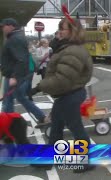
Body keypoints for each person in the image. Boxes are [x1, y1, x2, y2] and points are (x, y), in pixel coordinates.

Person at [29, 18, 94, 173]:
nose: (60, 31)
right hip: (67, 95)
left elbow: (62, 79)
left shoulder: (73, 51)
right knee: (56, 127)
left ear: (72, 31)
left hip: (70, 94)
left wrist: (38, 88)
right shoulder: (68, 48)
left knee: (76, 128)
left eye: (63, 28)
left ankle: (88, 160)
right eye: (59, 28)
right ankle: (48, 159)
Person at [0, 18, 47, 126]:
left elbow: (21, 60)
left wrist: (15, 77)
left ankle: (7, 123)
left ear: (11, 26)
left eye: (4, 26)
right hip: (14, 75)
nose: (2, 28)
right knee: (19, 98)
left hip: (13, 76)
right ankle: (41, 117)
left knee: (8, 102)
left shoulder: (15, 39)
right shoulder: (15, 37)